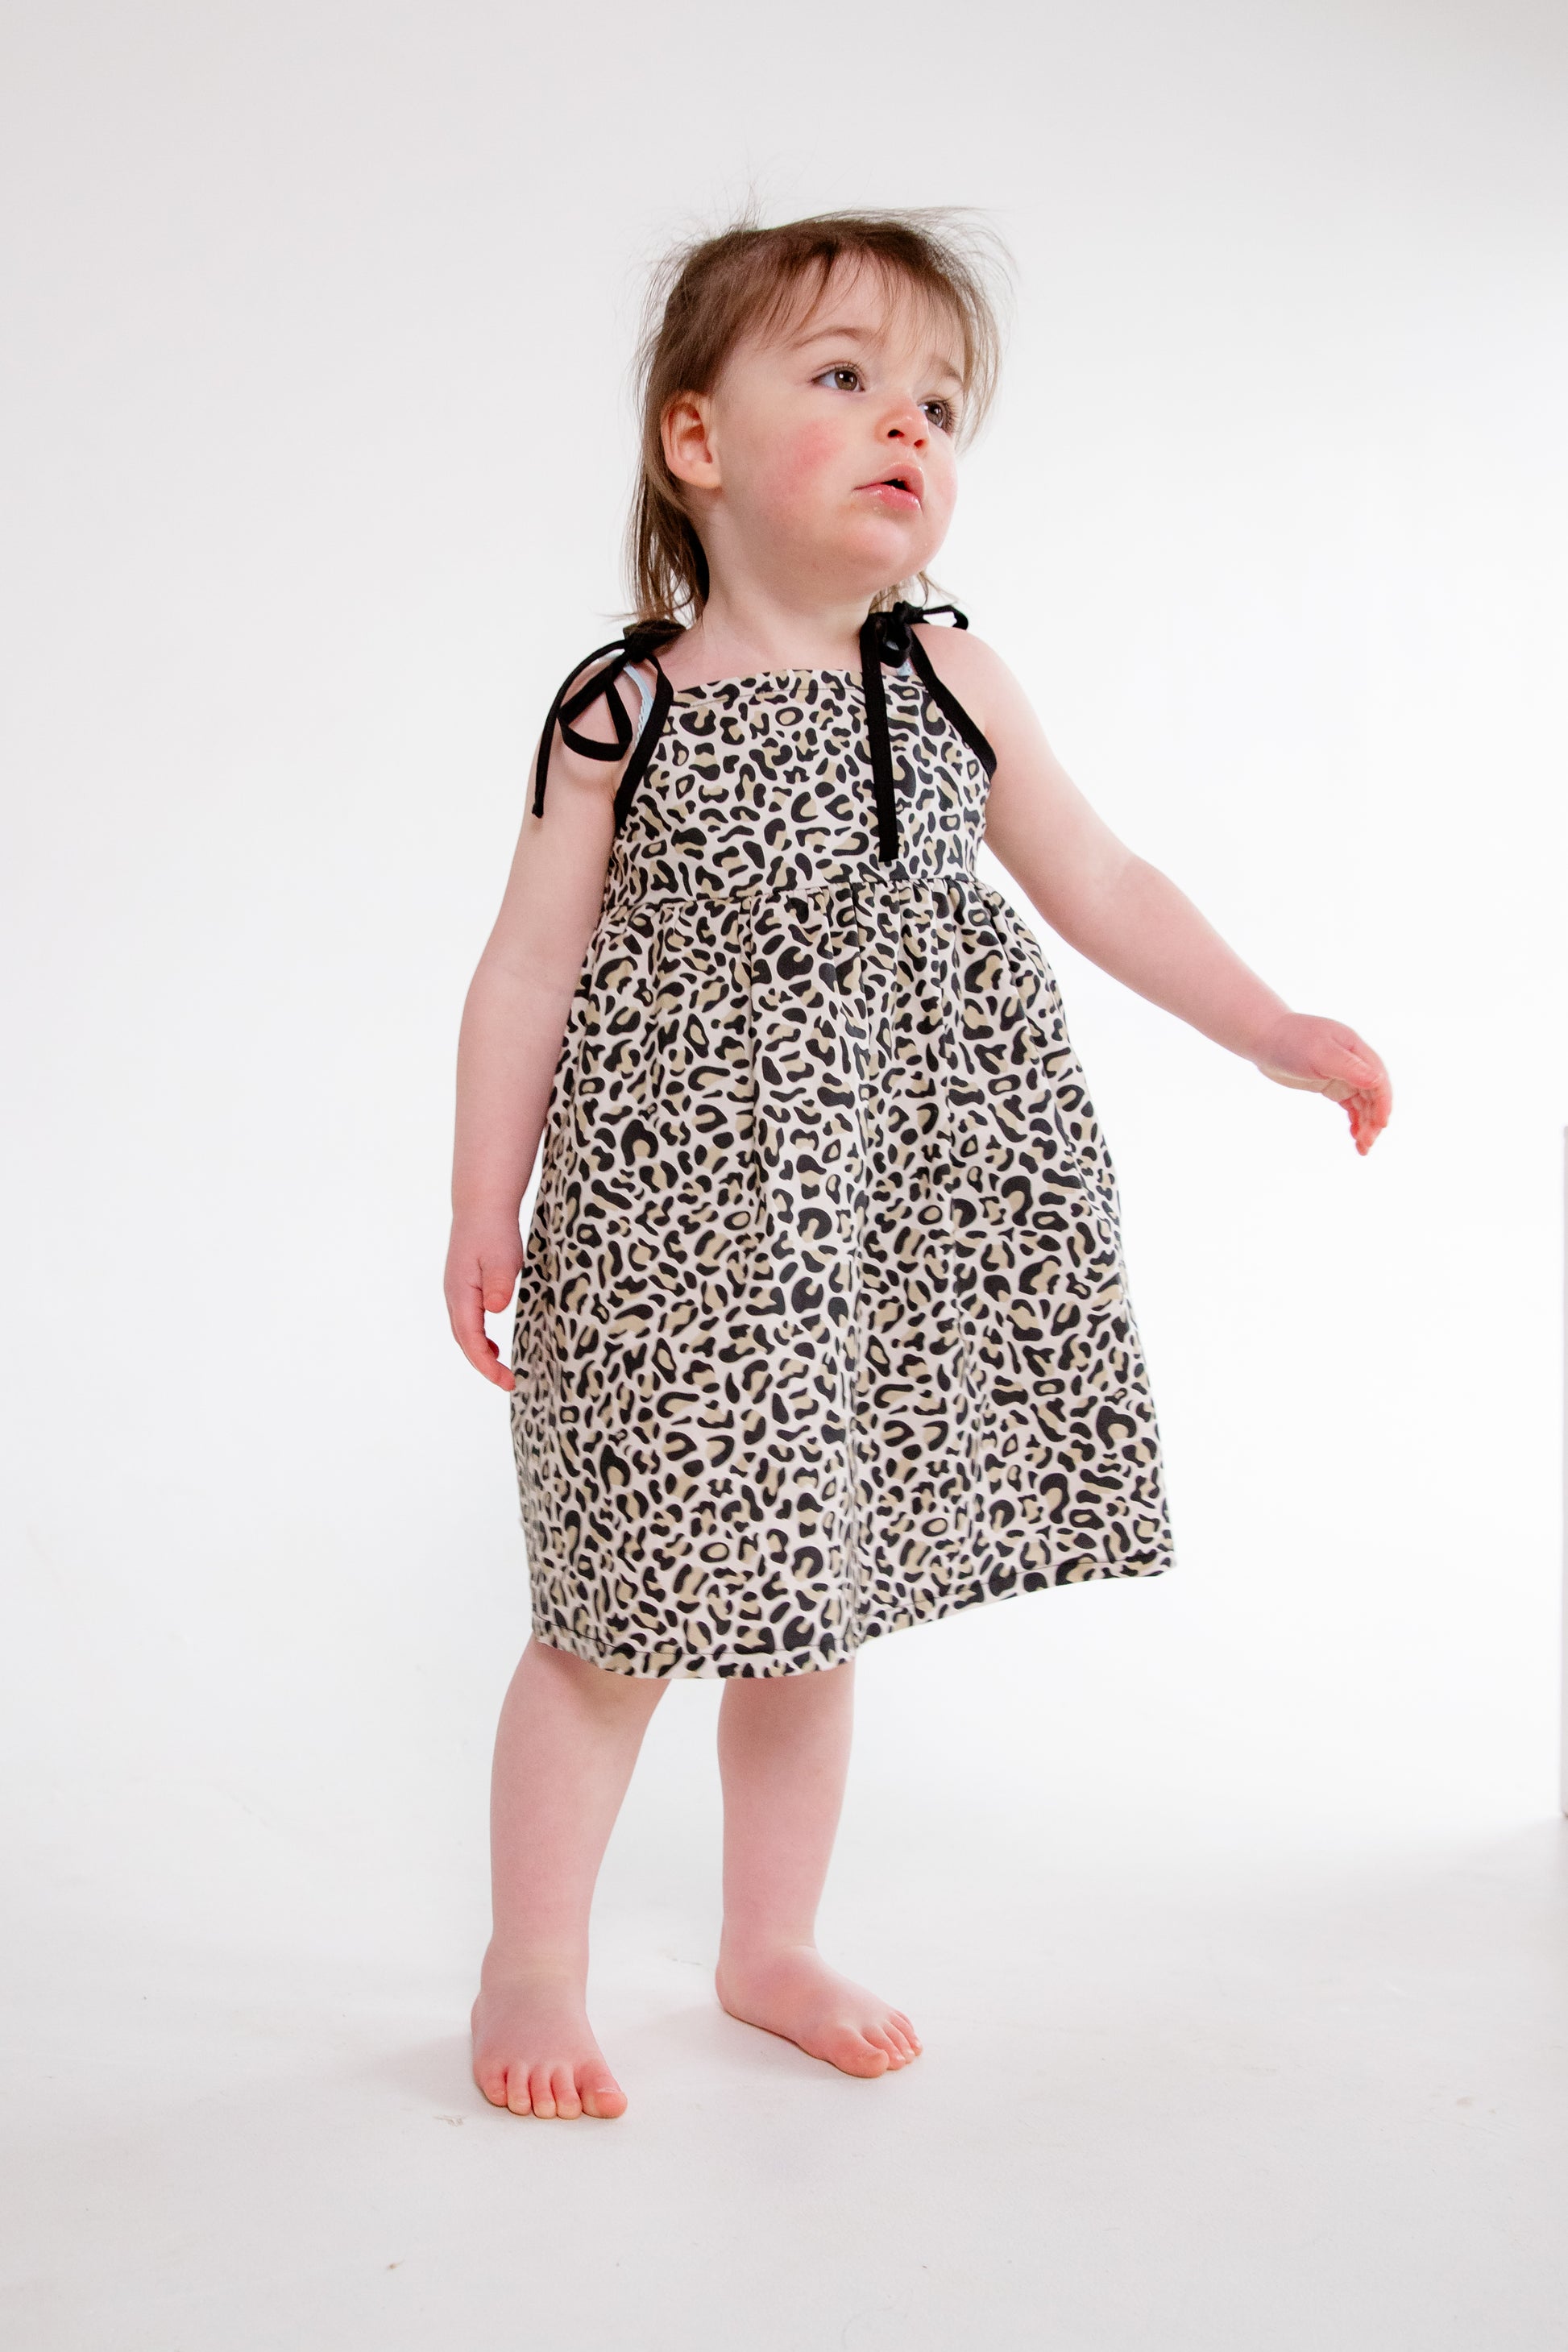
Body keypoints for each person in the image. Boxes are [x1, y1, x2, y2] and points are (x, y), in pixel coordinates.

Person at [444, 210, 1392, 2122]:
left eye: (942, 400)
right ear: (696, 443)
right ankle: (532, 1956)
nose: (911, 426)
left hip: (883, 1232)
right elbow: (528, 958)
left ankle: (764, 1938)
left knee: (816, 1594)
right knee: (613, 1607)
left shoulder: (946, 678)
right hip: (674, 1243)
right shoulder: (619, 708)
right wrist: (482, 1201)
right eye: (848, 377)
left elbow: (1102, 879)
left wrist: (1274, 1026)